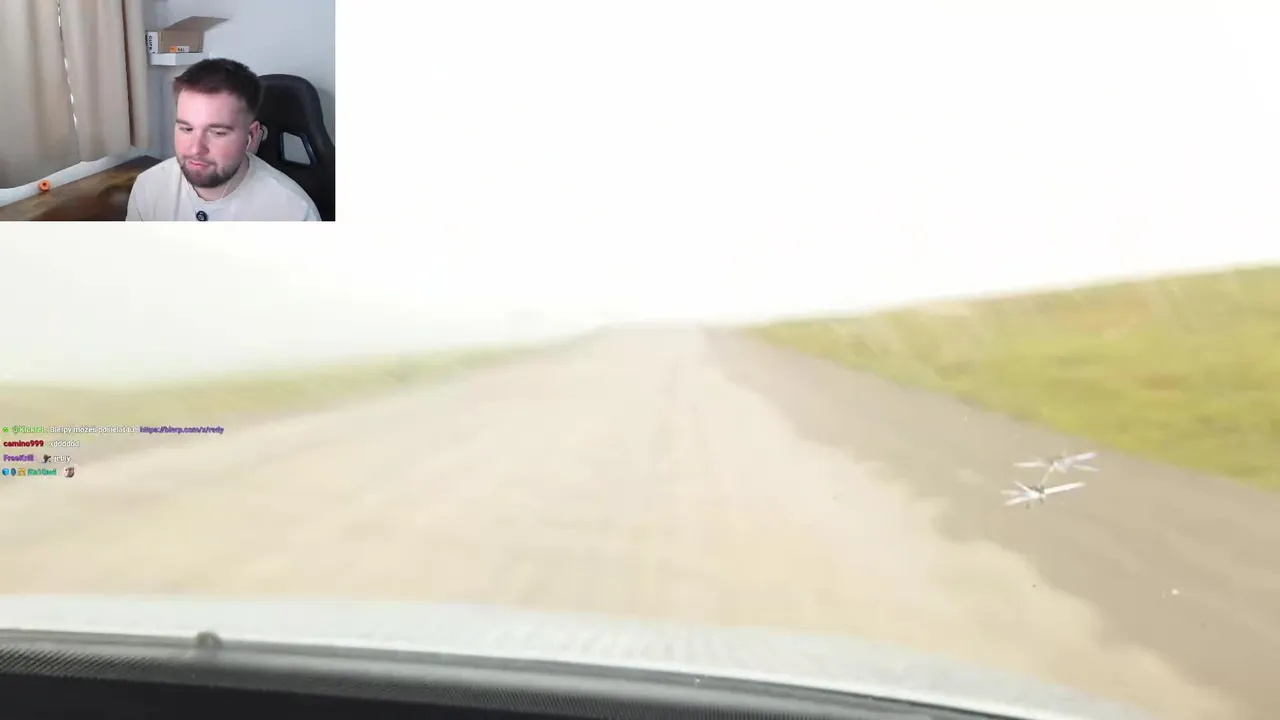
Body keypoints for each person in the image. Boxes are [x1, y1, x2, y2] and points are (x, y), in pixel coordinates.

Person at [127, 59, 320, 221]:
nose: (195, 149)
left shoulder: (294, 212)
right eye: (186, 129)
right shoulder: (149, 188)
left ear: (252, 136)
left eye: (217, 132)